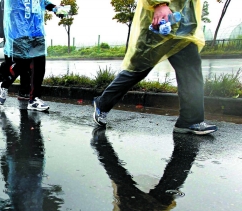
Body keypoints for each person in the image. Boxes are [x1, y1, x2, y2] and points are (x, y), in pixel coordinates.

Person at [92, 0, 217, 135]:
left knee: (191, 68)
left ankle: (190, 120)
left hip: (183, 23)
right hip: (159, 21)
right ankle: (103, 103)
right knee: (138, 69)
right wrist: (159, 4)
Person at [0, 0, 61, 111]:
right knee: (22, 64)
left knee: (39, 64)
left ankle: (34, 99)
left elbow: (42, 1)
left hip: (36, 30)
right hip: (17, 30)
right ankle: (4, 85)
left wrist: (56, 8)